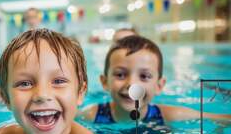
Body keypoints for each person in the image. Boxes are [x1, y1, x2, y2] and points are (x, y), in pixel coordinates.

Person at [0, 28, 108, 134]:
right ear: (5, 97)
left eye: (58, 81)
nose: (42, 95)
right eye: (24, 83)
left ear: (80, 92)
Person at [80, 35, 231, 124]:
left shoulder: (168, 115)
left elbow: (221, 118)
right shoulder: (91, 115)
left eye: (144, 76)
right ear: (105, 82)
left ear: (159, 86)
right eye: (120, 74)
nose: (132, 85)